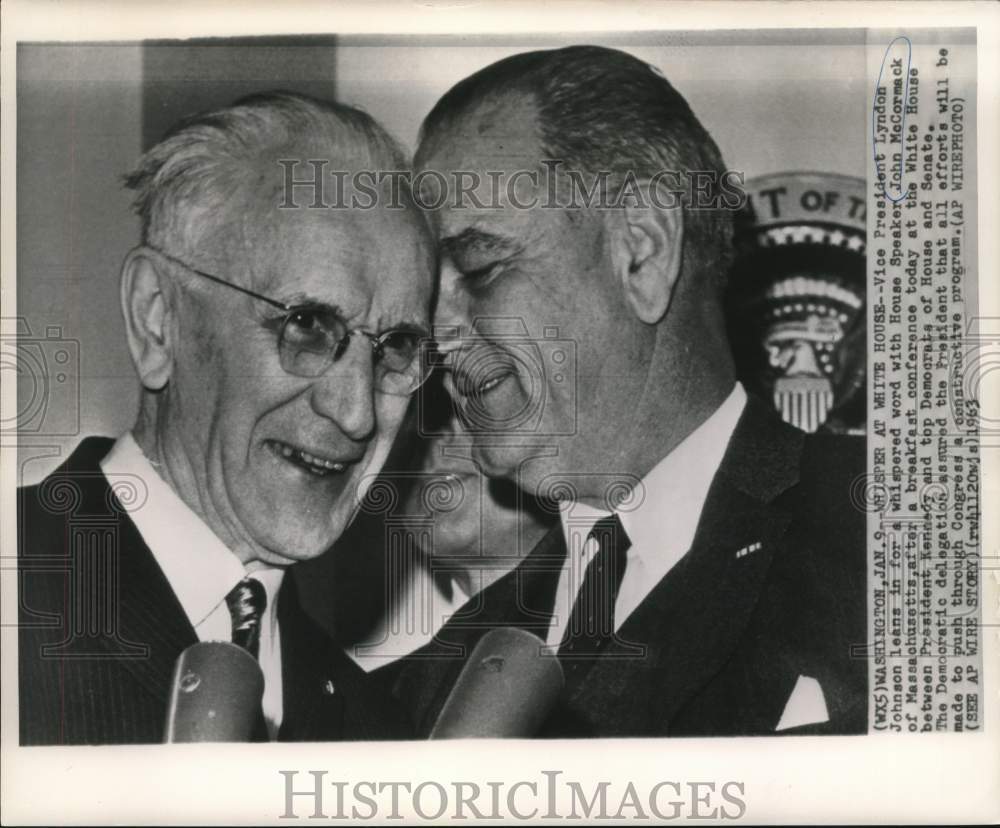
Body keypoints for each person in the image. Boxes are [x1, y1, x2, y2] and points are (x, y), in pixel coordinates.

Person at [392, 45, 867, 737]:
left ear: (642, 252)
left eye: (481, 268)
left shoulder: (894, 545)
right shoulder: (433, 683)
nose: (438, 333)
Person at [17, 91, 434, 744]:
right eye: (308, 325)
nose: (355, 413)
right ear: (158, 317)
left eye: (397, 347)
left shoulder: (374, 731)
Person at [295, 371, 555, 672]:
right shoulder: (378, 696)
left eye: (477, 400)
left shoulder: (608, 632)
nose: (441, 435)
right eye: (427, 415)